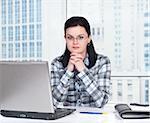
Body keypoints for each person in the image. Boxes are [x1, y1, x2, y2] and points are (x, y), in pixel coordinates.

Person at [50, 16, 111, 108]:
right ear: (65, 39)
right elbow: (54, 103)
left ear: (89, 38)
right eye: (70, 37)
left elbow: (102, 101)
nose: (75, 42)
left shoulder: (102, 62)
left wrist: (83, 70)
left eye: (80, 37)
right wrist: (68, 71)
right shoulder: (57, 63)